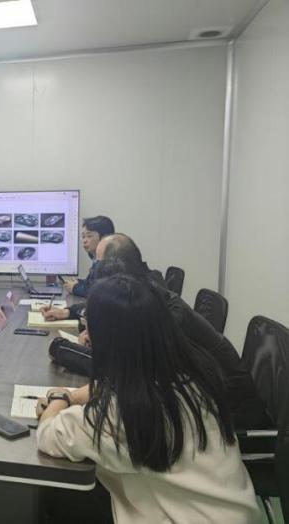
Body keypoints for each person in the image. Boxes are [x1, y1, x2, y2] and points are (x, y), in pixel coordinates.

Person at [36, 275, 260, 523]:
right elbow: (122, 384)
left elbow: (48, 434)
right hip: (230, 512)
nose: (86, 335)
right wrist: (78, 395)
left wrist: (59, 397)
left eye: (89, 327)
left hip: (184, 517)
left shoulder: (124, 412)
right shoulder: (193, 377)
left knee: (52, 498)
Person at [43, 233, 271, 429]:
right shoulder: (147, 291)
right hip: (203, 404)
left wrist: (61, 348)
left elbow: (123, 373)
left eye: (98, 263)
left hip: (223, 416)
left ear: (115, 268)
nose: (95, 271)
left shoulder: (155, 313)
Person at [62, 216, 114, 297]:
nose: (84, 240)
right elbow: (92, 283)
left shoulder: (110, 263)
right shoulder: (96, 258)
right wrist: (80, 282)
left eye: (89, 236)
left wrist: (75, 288)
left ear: (105, 238)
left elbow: (97, 291)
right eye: (83, 236)